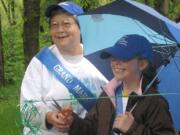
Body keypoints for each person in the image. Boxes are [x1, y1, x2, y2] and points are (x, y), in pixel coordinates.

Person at [20, 1, 108, 135]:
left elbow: (114, 102)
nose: (60, 30)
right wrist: (49, 116)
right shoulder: (40, 62)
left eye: (66, 24)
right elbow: (27, 107)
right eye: (54, 25)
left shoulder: (99, 60)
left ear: (81, 27)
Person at [68, 34, 176, 135]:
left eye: (124, 57)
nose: (115, 63)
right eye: (113, 57)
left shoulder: (154, 102)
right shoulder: (108, 94)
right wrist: (72, 121)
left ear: (142, 64)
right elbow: (91, 129)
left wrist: (133, 128)